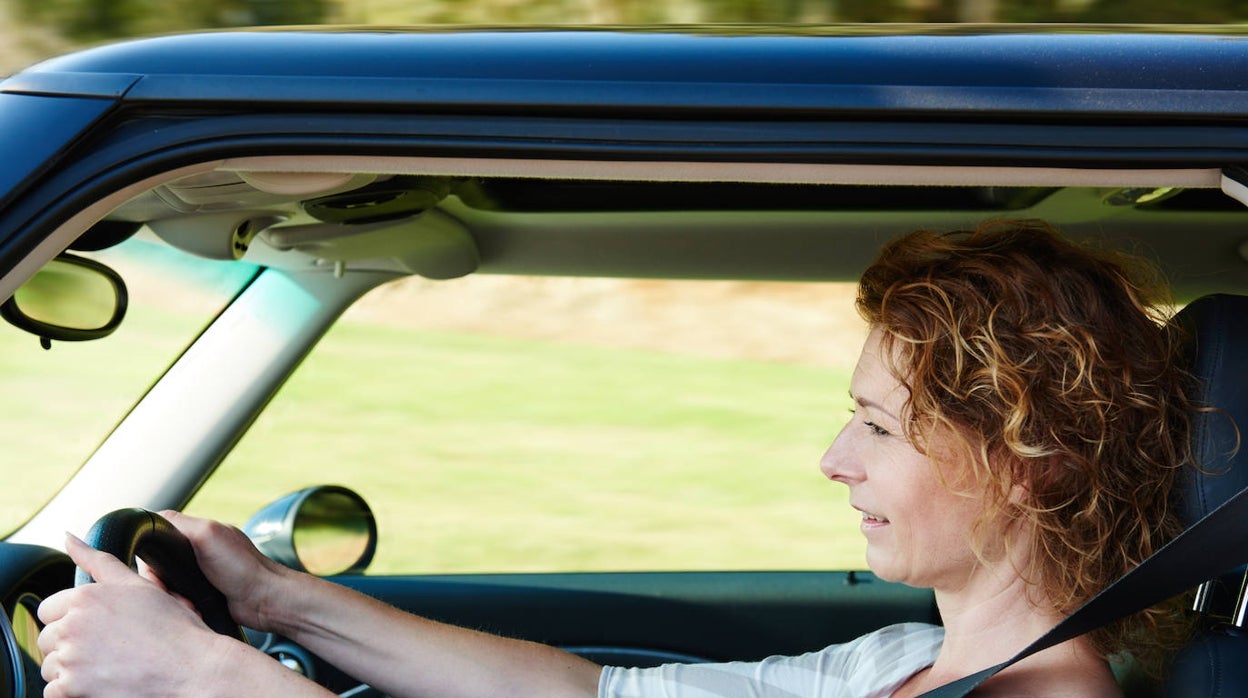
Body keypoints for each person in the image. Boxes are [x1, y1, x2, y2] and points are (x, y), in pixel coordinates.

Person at [36, 220, 1195, 698]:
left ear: (1033, 460)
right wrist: (277, 596)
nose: (833, 458)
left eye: (882, 427)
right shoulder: (904, 659)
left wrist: (212, 674)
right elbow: (604, 693)